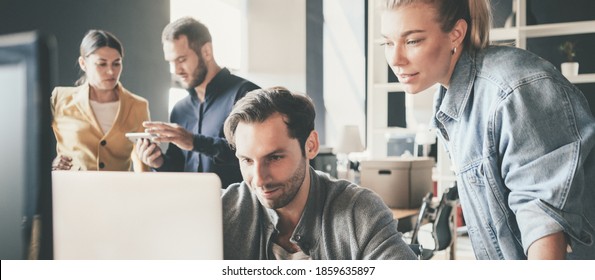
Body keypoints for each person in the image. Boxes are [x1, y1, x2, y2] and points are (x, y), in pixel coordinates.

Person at [380, 0, 595, 259]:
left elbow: (544, 225)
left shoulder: (513, 91)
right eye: (387, 43)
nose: (395, 59)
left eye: (412, 41)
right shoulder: (454, 102)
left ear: (456, 34)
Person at [221, 87, 416, 260]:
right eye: (247, 160)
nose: (259, 179)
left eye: (274, 158)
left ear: (310, 145)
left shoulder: (359, 213)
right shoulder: (221, 209)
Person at [136, 17, 259, 187]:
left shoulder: (246, 94)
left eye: (181, 60)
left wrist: (194, 142)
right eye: (171, 62)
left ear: (207, 51)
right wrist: (158, 162)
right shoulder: (180, 109)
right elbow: (178, 170)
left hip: (238, 210)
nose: (176, 70)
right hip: (192, 208)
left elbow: (255, 153)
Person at [51, 29, 150, 171]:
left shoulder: (138, 106)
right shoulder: (60, 98)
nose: (111, 72)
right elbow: (31, 141)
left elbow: (142, 164)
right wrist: (48, 165)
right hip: (71, 189)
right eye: (102, 64)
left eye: (116, 64)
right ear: (83, 63)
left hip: (118, 191)